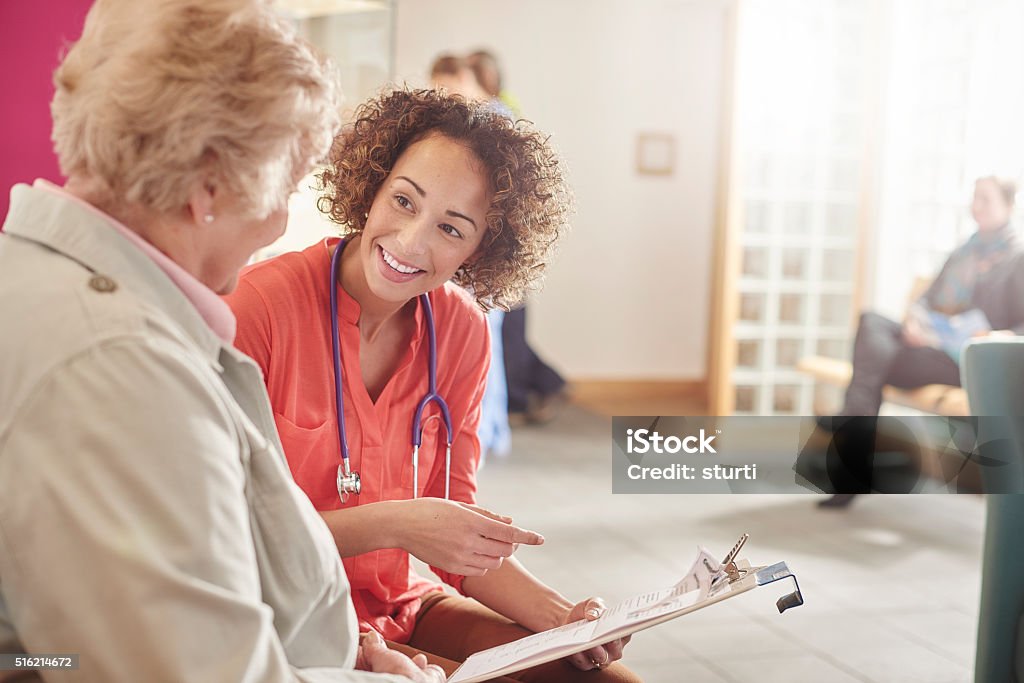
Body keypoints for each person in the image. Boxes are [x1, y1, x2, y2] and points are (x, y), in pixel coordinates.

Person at [0, 1, 441, 681]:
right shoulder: (115, 368)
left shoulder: (55, 287)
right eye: (286, 189)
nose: (277, 223)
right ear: (209, 186)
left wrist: (344, 656)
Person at [224, 89, 639, 682]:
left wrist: (563, 617)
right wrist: (396, 523)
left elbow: (455, 535)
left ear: (482, 249)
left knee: (608, 681)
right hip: (283, 611)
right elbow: (230, 536)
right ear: (370, 188)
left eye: (451, 228)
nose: (412, 242)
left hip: (402, 604)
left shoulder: (462, 331)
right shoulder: (258, 307)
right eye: (403, 200)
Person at [815, 176, 1024, 507]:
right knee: (872, 322)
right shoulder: (963, 252)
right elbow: (926, 300)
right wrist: (915, 321)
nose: (976, 206)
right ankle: (855, 425)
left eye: (986, 199)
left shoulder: (1016, 259)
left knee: (871, 366)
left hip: (960, 358)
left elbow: (1020, 327)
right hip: (927, 345)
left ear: (1009, 206)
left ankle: (852, 437)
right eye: (975, 197)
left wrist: (997, 335)